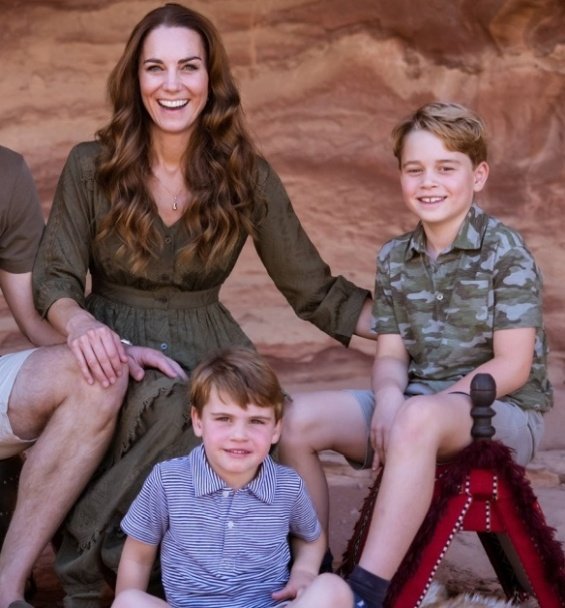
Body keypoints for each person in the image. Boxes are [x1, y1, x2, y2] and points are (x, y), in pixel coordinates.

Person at [30, 4, 373, 605]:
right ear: (134, 80)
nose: (171, 84)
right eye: (154, 68)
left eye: (188, 67)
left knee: (253, 416)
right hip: (116, 341)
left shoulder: (245, 175)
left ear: (210, 78)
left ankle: (285, 578)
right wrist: (82, 325)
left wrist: (418, 327)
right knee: (178, 408)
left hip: (210, 339)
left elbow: (313, 289)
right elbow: (53, 278)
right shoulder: (92, 166)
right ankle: (127, 573)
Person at [278, 101, 553, 608]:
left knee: (418, 418)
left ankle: (365, 594)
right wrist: (387, 399)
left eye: (447, 168)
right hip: (415, 405)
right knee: (296, 420)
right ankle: (314, 572)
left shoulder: (505, 252)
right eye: (415, 169)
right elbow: (390, 356)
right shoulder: (393, 258)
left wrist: (415, 412)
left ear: (479, 175)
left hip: (501, 414)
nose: (430, 182)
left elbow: (512, 367)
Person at [0, 145, 186, 608]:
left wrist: (110, 348)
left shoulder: (5, 173)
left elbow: (34, 315)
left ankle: (6, 588)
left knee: (96, 375)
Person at [112, 346, 325, 608]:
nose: (240, 435)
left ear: (276, 429)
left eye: (256, 421)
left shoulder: (287, 486)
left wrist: (304, 573)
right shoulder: (168, 481)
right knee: (130, 602)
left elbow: (311, 537)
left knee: (332, 589)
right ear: (198, 421)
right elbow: (138, 556)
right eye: (224, 418)